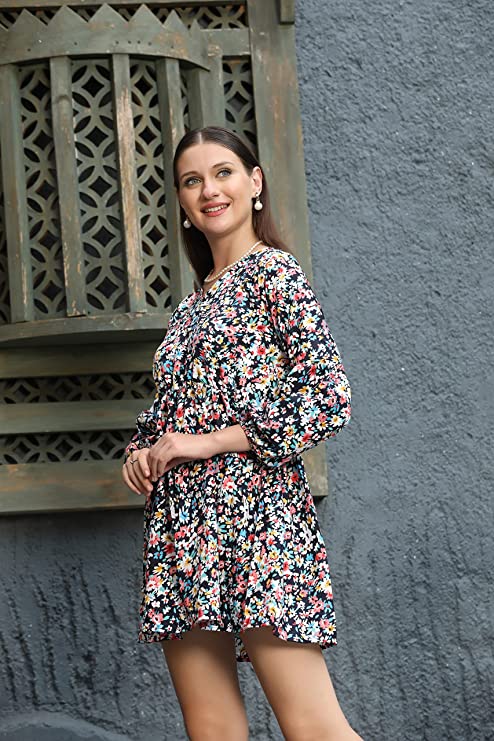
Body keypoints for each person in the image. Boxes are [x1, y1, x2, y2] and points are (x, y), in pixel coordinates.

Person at [122, 126, 362, 741]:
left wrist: (208, 442)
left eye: (223, 172)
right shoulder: (191, 304)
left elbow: (328, 398)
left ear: (255, 183)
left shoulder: (274, 274)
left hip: (258, 519)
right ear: (181, 201)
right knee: (212, 730)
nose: (209, 190)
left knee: (314, 728)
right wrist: (142, 452)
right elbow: (173, 413)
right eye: (192, 180)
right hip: (182, 528)